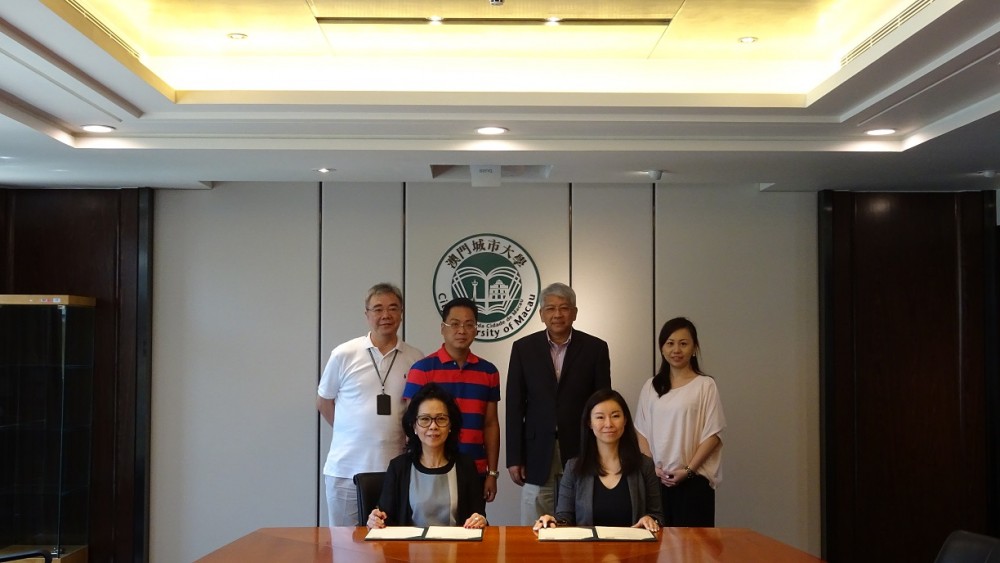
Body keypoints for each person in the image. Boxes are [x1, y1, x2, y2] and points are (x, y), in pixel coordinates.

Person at [316, 283, 424, 527]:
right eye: (377, 309)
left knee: (391, 547)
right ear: (367, 315)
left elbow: (417, 411)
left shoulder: (415, 358)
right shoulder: (344, 354)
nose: (385, 315)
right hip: (346, 469)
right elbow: (323, 401)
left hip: (396, 471)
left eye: (392, 308)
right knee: (345, 547)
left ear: (402, 313)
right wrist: (349, 429)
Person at [506, 282, 611, 525]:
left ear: (574, 312)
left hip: (581, 445)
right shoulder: (523, 348)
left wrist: (603, 449)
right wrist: (514, 456)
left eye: (564, 308)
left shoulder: (595, 348)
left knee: (580, 510)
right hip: (536, 449)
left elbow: (603, 403)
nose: (557, 314)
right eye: (551, 308)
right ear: (541, 314)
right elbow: (514, 406)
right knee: (535, 515)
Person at [403, 297, 501, 503]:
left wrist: (492, 473)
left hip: (475, 468)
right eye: (454, 324)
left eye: (469, 324)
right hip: (430, 468)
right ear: (442, 328)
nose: (462, 330)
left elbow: (491, 424)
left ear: (476, 329)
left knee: (474, 526)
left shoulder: (489, 371)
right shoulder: (422, 369)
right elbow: (411, 422)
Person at [635, 317, 726, 527]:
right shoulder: (651, 386)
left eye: (683, 343)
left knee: (694, 550)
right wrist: (653, 469)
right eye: (670, 343)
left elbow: (713, 434)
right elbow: (641, 431)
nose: (676, 349)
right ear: (662, 348)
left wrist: (688, 470)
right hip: (656, 482)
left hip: (695, 481)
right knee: (657, 548)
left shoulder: (705, 385)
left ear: (694, 348)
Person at [533, 388, 662, 532]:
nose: (608, 424)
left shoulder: (644, 465)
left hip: (633, 550)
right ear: (589, 422)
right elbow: (564, 517)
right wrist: (553, 522)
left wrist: (650, 519)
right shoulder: (574, 467)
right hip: (588, 551)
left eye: (615, 416)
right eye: (600, 417)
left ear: (625, 420)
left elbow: (657, 515)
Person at [368, 383, 488, 529]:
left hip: (456, 549)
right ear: (414, 426)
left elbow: (479, 516)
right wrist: (375, 520)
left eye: (441, 419)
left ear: (451, 425)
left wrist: (480, 520)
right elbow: (384, 518)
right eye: (425, 419)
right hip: (409, 549)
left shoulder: (466, 465)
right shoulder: (399, 467)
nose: (433, 426)